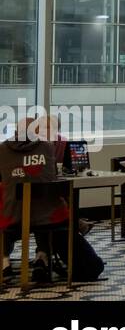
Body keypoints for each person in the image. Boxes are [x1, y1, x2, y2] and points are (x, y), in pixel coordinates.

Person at [0, 118, 70, 283]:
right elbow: (52, 176)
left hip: (12, 216)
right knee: (41, 207)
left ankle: (4, 261)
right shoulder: (47, 147)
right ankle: (42, 256)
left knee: (6, 210)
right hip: (48, 217)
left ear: (16, 130)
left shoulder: (2, 149)